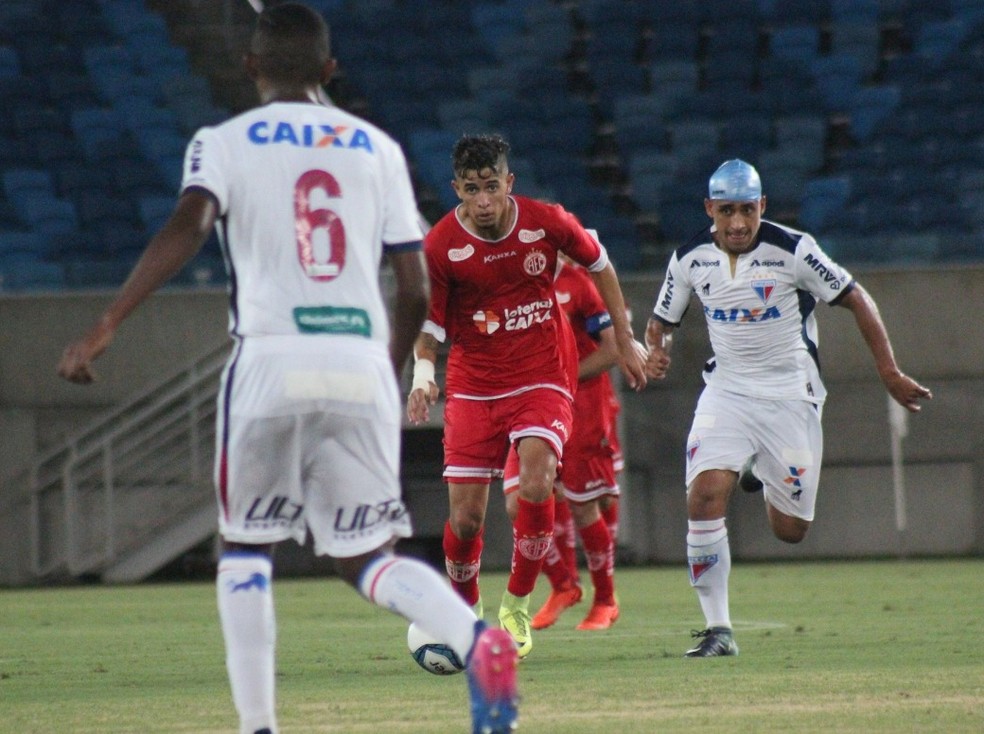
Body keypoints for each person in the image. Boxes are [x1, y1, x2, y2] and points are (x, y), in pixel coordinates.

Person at [57, 5, 518, 733]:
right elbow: (415, 288)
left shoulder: (224, 142)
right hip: (360, 365)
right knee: (368, 557)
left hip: (270, 361)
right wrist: (384, 374)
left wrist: (109, 322)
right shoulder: (376, 148)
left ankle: (260, 726)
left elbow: (191, 223)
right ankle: (477, 640)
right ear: (330, 71)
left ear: (250, 67)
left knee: (245, 548)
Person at [644, 159, 933, 657]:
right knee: (704, 495)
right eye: (726, 211)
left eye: (747, 211)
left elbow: (856, 297)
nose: (736, 224)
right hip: (727, 392)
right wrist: (658, 348)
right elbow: (661, 319)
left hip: (789, 395)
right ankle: (719, 630)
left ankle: (756, 468)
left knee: (791, 530)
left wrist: (889, 372)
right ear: (709, 209)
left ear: (763, 207)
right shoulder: (689, 257)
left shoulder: (794, 250)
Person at [407, 133, 647, 659]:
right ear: (457, 190)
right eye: (473, 189)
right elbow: (431, 323)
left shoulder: (546, 221)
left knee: (536, 486)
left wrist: (625, 341)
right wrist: (424, 372)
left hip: (542, 375)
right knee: (467, 519)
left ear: (509, 182)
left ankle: (516, 606)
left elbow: (601, 264)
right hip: (473, 385)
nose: (485, 200)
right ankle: (463, 612)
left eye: (492, 186)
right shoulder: (442, 246)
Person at [529, 251, 622, 631]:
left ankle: (605, 599)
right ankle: (563, 585)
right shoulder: (512, 283)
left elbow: (613, 349)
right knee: (522, 500)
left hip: (582, 407)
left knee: (586, 504)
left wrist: (562, 383)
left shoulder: (578, 284)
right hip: (531, 406)